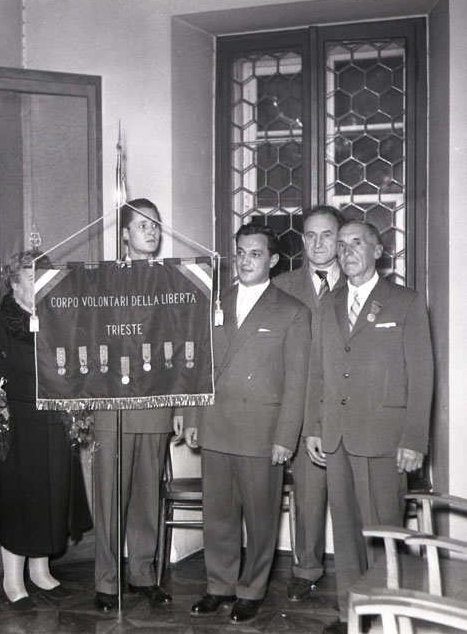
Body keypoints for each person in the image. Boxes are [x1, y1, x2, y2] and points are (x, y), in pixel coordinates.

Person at [304, 220, 433, 634]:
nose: (346, 251)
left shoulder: (405, 302)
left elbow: (422, 375)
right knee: (345, 534)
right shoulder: (330, 302)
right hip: (337, 436)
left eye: (356, 243)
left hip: (384, 438)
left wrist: (414, 439)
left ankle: (386, 620)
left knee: (383, 535)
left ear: (378, 250)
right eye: (341, 245)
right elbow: (318, 372)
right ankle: (352, 616)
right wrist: (313, 427)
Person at [184, 222, 311, 624]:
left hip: (262, 431)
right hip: (217, 424)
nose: (245, 261)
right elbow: (200, 365)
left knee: (259, 519)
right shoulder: (214, 302)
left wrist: (286, 436)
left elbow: (297, 382)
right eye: (240, 252)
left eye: (255, 254)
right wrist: (193, 417)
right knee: (218, 515)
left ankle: (251, 590)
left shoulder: (292, 311)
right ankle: (219, 585)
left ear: (273, 260)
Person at [0, 251, 92, 612]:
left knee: (50, 496)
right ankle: (13, 581)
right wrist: (45, 386)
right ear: (14, 283)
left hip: (54, 423)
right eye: (31, 278)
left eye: (43, 278)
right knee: (21, 499)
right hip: (18, 425)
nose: (39, 284)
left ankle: (41, 572)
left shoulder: (56, 317)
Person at [93, 198, 175, 612]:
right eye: (143, 225)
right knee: (110, 496)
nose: (152, 231)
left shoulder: (173, 281)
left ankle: (143, 573)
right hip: (113, 405)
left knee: (147, 493)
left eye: (155, 224)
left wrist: (181, 406)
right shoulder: (101, 281)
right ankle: (106, 581)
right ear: (124, 234)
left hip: (156, 402)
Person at [272, 205, 346, 601]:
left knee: (353, 502)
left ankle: (363, 578)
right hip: (302, 411)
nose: (318, 244)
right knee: (309, 496)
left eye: (327, 235)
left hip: (347, 408)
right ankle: (306, 570)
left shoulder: (357, 282)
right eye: (311, 236)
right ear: (302, 241)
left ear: (340, 238)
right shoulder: (281, 287)